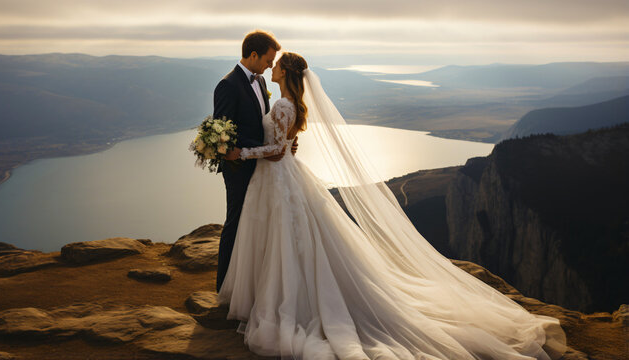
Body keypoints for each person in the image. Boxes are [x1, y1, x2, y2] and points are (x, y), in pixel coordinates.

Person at [217, 51, 568, 359]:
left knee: (285, 241)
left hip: (278, 180)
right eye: (270, 62)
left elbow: (277, 150)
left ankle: (286, 304)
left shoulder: (281, 104)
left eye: (277, 64)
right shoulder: (285, 102)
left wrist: (240, 152)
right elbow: (285, 145)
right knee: (290, 242)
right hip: (281, 179)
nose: (271, 67)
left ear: (286, 74)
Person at [213, 30, 297, 293]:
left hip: (262, 167)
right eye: (268, 60)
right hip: (239, 167)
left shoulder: (260, 82)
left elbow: (266, 126)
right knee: (235, 222)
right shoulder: (228, 85)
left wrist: (285, 142)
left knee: (256, 225)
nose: (271, 65)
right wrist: (231, 153)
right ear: (253, 55)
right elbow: (221, 130)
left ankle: (250, 286)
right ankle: (224, 287)